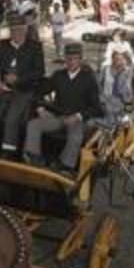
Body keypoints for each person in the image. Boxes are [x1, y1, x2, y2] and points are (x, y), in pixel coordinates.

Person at [23, 43, 103, 174]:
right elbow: (39, 93)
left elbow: (96, 108)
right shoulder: (58, 75)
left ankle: (64, 167)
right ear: (65, 59)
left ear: (80, 60)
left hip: (78, 120)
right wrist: (40, 108)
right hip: (58, 116)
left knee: (75, 136)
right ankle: (34, 159)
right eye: (68, 58)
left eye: (75, 58)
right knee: (33, 125)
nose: (71, 62)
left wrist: (78, 116)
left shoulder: (89, 79)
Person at [0, 14, 45, 156]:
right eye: (13, 30)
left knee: (12, 118)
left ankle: (9, 150)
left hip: (24, 89)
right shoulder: (3, 45)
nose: (16, 33)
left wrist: (19, 79)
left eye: (19, 29)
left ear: (25, 30)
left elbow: (40, 71)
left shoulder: (34, 46)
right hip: (2, 87)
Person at [98, 51, 134, 128]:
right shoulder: (106, 69)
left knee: (127, 124)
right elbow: (99, 85)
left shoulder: (127, 71)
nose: (119, 61)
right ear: (112, 59)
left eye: (121, 59)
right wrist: (101, 100)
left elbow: (128, 89)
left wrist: (128, 112)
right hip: (107, 101)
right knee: (110, 124)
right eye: (117, 59)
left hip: (122, 103)